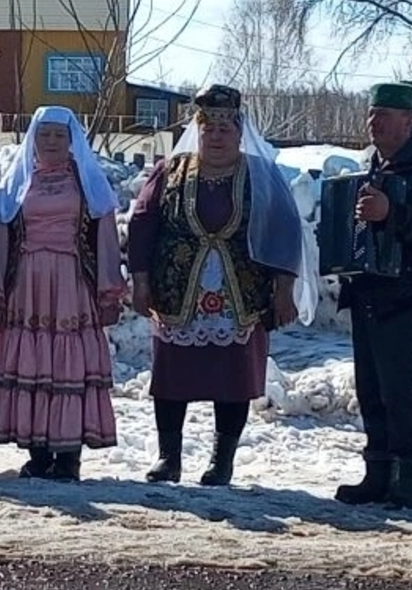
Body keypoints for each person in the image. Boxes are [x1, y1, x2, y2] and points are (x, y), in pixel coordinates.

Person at [126, 84, 317, 487]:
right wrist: (140, 280)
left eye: (225, 130)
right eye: (208, 129)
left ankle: (221, 461)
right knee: (172, 373)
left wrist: (284, 289)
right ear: (198, 131)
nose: (216, 137)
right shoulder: (171, 171)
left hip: (239, 293)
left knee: (233, 375)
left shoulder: (260, 175)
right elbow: (143, 223)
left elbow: (285, 230)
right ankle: (169, 457)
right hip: (179, 289)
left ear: (239, 132)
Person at [0, 105, 126, 482]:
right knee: (33, 362)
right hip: (27, 284)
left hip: (71, 282)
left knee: (67, 364)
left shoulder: (88, 183)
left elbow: (105, 238)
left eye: (58, 135)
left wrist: (109, 291)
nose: (50, 141)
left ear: (70, 141)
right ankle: (38, 453)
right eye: (44, 134)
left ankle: (68, 457)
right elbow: (3, 235)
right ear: (33, 138)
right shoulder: (17, 182)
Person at [334, 82, 412, 508]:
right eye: (371, 112)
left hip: (408, 295)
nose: (373, 121)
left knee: (400, 389)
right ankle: (379, 473)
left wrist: (392, 213)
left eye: (384, 113)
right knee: (371, 388)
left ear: (410, 122)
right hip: (368, 292)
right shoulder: (371, 169)